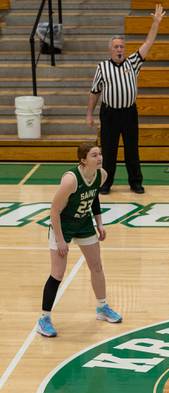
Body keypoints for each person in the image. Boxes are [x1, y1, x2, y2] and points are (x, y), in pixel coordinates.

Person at [36, 142, 123, 338]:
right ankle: (44, 319)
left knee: (97, 266)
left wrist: (99, 223)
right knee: (57, 273)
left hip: (84, 224)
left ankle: (102, 308)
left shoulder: (102, 175)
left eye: (100, 154)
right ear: (83, 160)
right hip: (63, 225)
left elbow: (93, 198)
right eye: (94, 155)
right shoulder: (70, 180)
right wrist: (60, 239)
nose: (99, 157)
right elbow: (54, 210)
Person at [86, 4, 164, 195]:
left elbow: (148, 43)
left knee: (131, 150)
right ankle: (105, 183)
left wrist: (156, 23)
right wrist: (89, 114)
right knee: (109, 151)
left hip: (129, 113)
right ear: (110, 50)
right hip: (109, 114)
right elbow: (95, 91)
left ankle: (135, 183)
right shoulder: (102, 67)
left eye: (121, 46)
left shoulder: (133, 62)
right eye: (116, 47)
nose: (119, 49)